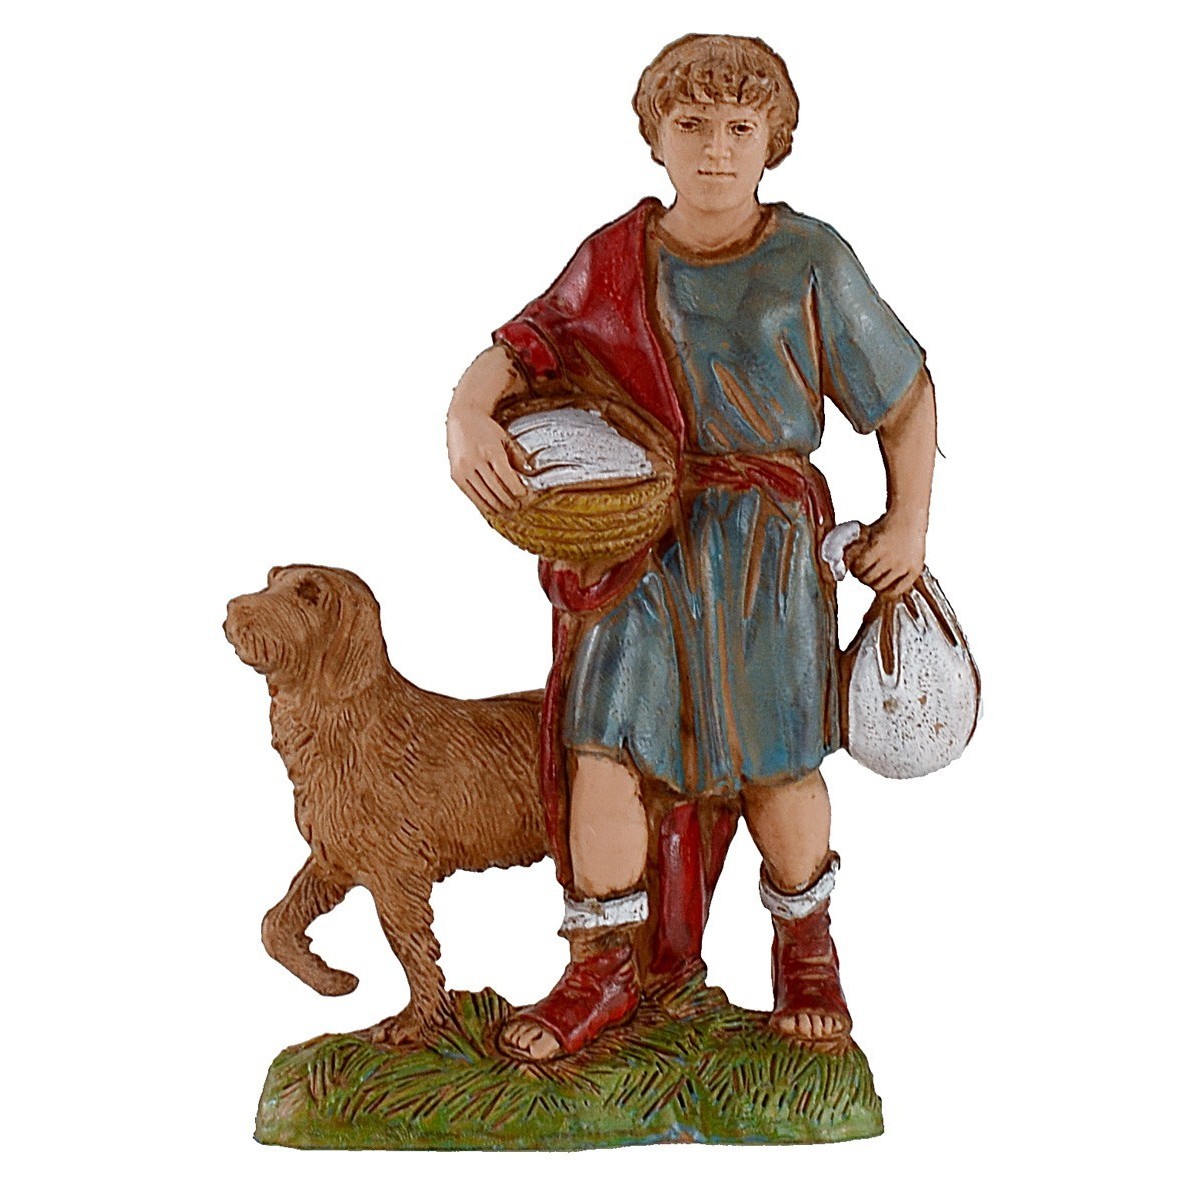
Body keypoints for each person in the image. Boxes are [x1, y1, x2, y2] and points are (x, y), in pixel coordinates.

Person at [446, 34, 936, 1062]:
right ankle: (600, 972)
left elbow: (904, 396)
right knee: (604, 748)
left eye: (740, 128)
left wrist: (908, 524)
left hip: (763, 548)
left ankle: (807, 951)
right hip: (638, 543)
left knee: (777, 760)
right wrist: (468, 417)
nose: (716, 149)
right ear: (655, 137)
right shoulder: (616, 260)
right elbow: (521, 349)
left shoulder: (811, 260)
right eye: (693, 125)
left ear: (774, 141)